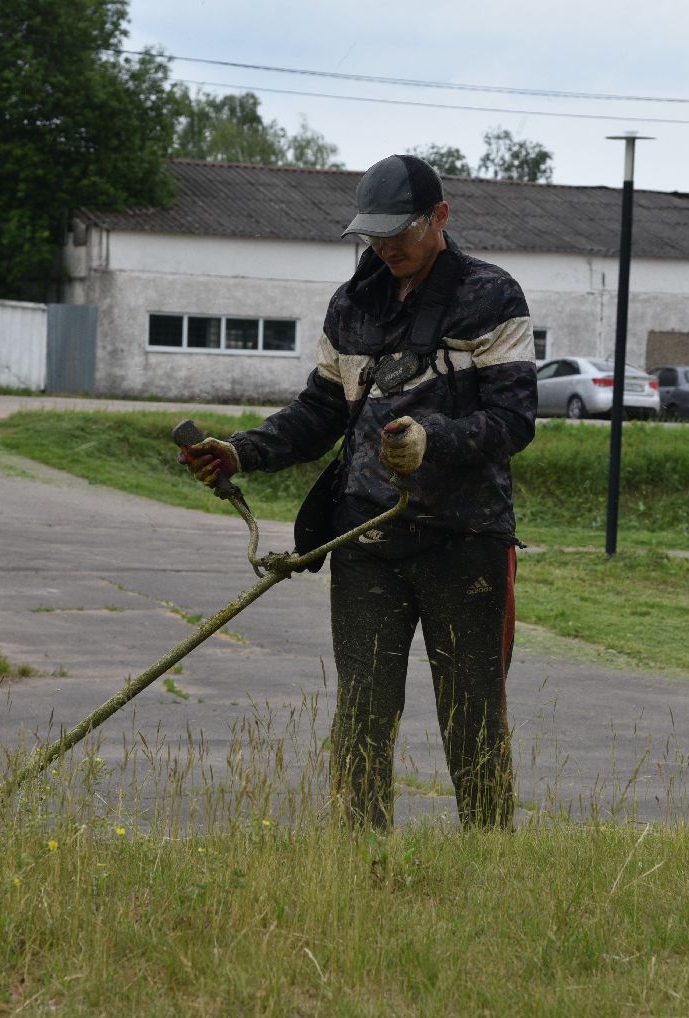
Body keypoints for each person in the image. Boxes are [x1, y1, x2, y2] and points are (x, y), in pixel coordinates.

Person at [179, 154, 537, 829]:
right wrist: (243, 450)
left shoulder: (493, 296)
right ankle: (358, 859)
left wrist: (433, 438)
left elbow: (514, 421)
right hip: (367, 538)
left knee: (472, 713)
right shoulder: (350, 306)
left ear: (440, 218)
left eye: (401, 231)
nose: (388, 248)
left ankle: (490, 863)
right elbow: (319, 413)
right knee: (363, 711)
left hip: (466, 541)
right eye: (374, 236)